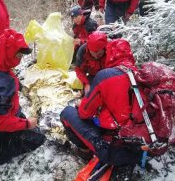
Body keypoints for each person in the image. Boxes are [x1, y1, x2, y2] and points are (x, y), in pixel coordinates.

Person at [60, 39, 141, 177]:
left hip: (114, 148)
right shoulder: (140, 74)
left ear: (109, 53)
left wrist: (84, 104)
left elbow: (85, 114)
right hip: (139, 145)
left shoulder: (106, 76)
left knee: (67, 113)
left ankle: (86, 152)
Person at [0, 29, 45, 166]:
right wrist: (27, 124)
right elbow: (2, 122)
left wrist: (19, 88)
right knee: (38, 139)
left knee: (27, 126)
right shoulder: (3, 87)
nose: (21, 59)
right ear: (8, 53)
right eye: (19, 55)